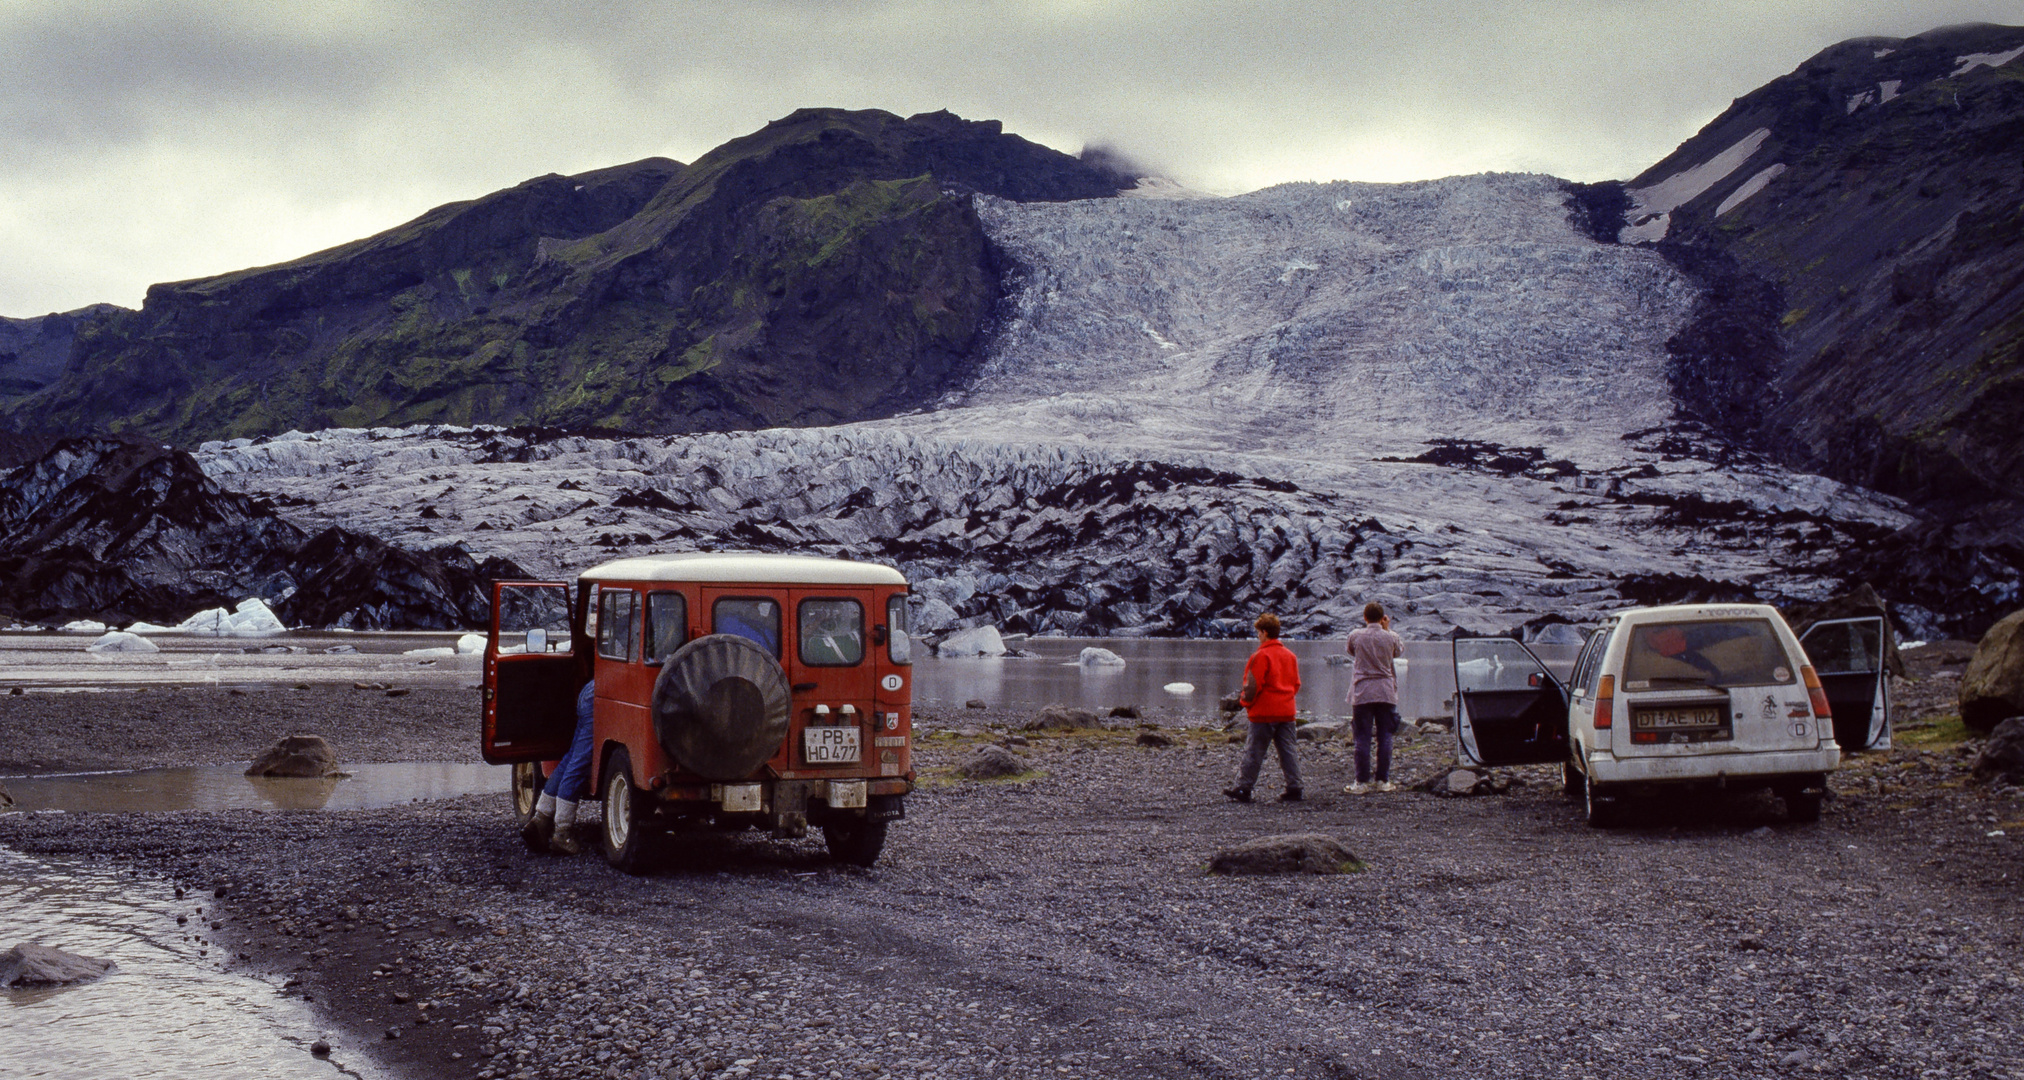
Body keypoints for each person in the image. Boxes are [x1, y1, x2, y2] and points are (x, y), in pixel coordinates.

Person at [1223, 612, 1303, 803]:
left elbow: (1252, 686)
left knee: (1254, 750)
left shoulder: (1260, 655)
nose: (1258, 635)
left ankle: (1244, 787)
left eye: (1258, 632)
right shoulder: (1290, 656)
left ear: (1265, 632)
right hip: (1287, 711)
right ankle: (1295, 787)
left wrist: (1245, 703)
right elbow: (1296, 684)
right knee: (1288, 750)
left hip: (1264, 713)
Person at [523, 679, 596, 855]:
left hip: (590, 690)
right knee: (579, 765)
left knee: (571, 759)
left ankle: (541, 819)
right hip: (600, 698)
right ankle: (562, 832)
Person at [1345, 601, 1404, 794]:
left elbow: (1350, 651)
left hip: (1363, 691)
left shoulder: (1355, 635)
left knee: (1362, 737)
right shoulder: (1392, 637)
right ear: (1382, 618)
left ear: (1364, 617)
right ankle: (1382, 780)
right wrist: (1387, 629)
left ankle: (1361, 782)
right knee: (1385, 736)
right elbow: (1398, 652)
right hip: (1385, 691)